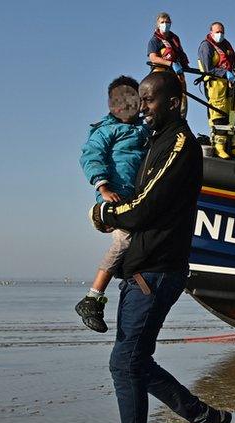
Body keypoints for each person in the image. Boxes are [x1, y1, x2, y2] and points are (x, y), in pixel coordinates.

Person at [83, 72, 235, 423]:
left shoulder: (179, 144)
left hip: (157, 270)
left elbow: (144, 207)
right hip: (140, 271)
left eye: (150, 100)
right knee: (133, 361)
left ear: (175, 103)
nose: (143, 107)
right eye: (141, 100)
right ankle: (210, 421)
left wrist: (104, 214)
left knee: (125, 362)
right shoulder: (153, 140)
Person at [75, 77, 150, 333]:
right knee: (124, 241)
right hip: (113, 195)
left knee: (137, 241)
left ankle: (126, 284)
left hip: (136, 198)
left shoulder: (143, 128)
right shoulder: (106, 130)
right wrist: (103, 187)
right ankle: (92, 298)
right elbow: (91, 156)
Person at [198, 22, 235, 159]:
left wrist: (234, 73)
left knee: (233, 114)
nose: (220, 34)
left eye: (222, 32)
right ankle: (219, 147)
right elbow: (208, 68)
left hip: (230, 86)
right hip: (216, 86)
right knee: (218, 115)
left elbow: (232, 62)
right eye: (217, 32)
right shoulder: (206, 46)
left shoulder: (226, 45)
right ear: (211, 32)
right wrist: (225, 73)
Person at [146, 12, 189, 117]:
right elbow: (153, 58)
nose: (165, 24)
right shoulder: (154, 40)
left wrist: (184, 65)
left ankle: (180, 119)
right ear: (158, 24)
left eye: (167, 22)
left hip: (177, 74)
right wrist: (170, 63)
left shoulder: (175, 39)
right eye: (162, 22)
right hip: (161, 73)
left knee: (182, 99)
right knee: (162, 99)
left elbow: (180, 53)